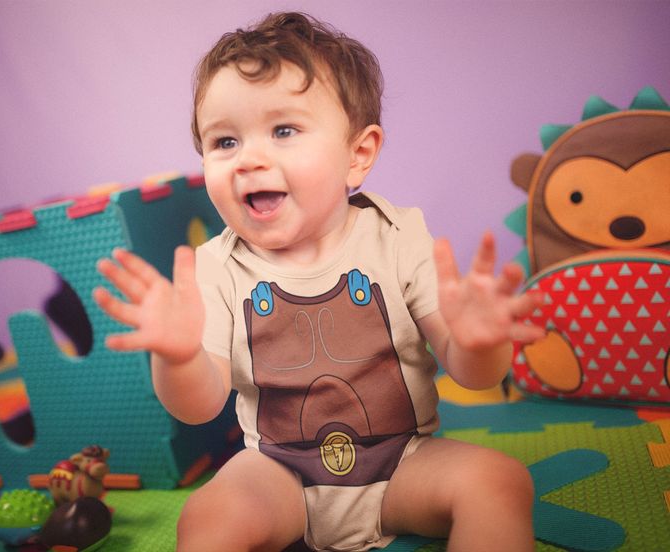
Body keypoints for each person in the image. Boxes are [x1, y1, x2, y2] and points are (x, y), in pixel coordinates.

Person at [93, 12, 544, 552]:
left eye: (284, 131)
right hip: (279, 476)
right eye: (224, 142)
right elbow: (200, 405)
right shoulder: (214, 267)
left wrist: (480, 343)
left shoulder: (398, 236)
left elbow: (472, 375)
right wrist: (177, 355)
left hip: (402, 464)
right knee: (207, 518)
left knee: (500, 482)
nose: (249, 160)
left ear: (358, 155)